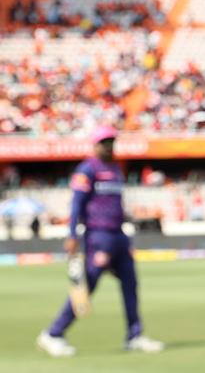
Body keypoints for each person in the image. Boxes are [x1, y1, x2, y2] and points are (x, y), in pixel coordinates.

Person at [37, 127, 164, 357]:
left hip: (119, 235)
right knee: (87, 286)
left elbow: (115, 204)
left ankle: (134, 335)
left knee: (130, 284)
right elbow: (76, 205)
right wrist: (72, 235)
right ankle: (53, 334)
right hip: (98, 236)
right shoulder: (87, 169)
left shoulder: (116, 169)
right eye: (104, 142)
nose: (108, 146)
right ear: (95, 145)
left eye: (111, 142)